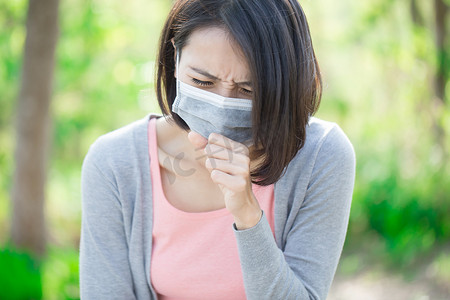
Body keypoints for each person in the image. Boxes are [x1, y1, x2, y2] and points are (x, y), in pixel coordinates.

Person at [79, 0, 356, 299]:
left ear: (284, 82)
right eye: (201, 81)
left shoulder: (321, 156)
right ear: (175, 56)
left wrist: (248, 215)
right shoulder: (113, 163)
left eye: (248, 90)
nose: (222, 103)